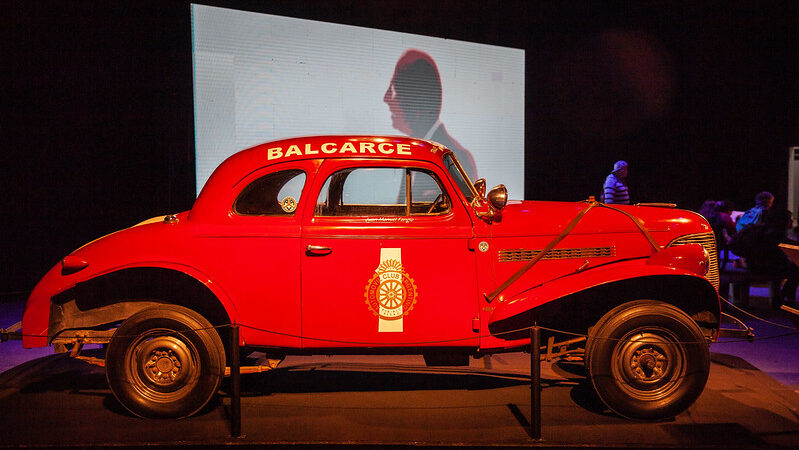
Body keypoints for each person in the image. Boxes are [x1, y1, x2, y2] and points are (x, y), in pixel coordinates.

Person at [384, 49, 478, 180]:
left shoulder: (456, 157)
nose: (386, 98)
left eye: (393, 89)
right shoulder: (417, 151)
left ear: (415, 98)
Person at [729, 208, 799, 306]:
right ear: (782, 220)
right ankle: (786, 298)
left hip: (752, 264)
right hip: (764, 268)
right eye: (790, 219)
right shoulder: (775, 234)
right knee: (795, 267)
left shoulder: (756, 229)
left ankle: (781, 296)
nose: (792, 221)